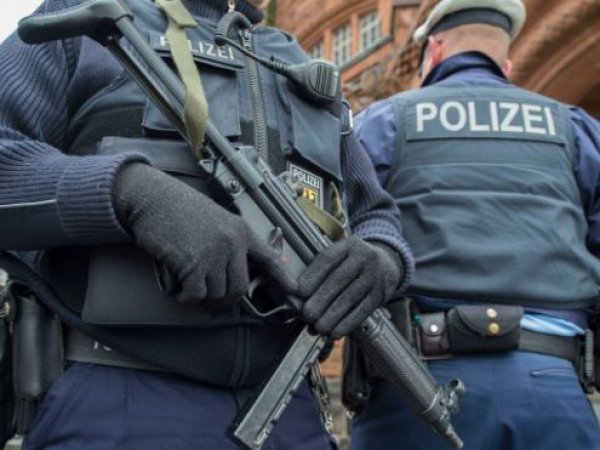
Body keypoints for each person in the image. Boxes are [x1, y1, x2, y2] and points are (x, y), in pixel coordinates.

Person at [0, 0, 414, 448]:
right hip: (115, 397)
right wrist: (130, 193)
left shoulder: (301, 65)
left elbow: (374, 214)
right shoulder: (88, 18)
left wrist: (382, 259)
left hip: (291, 414)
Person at [350, 0, 600, 449]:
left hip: (416, 386)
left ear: (434, 50)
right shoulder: (575, 129)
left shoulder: (383, 122)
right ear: (505, 65)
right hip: (552, 384)